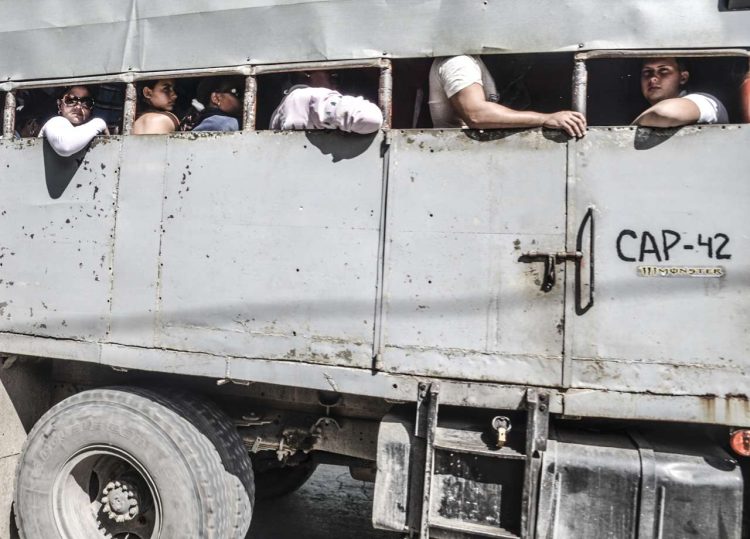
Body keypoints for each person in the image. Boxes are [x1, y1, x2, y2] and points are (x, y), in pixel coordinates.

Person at [428, 55, 586, 137]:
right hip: (458, 155)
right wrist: (545, 119)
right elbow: (476, 115)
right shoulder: (459, 61)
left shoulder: (475, 63)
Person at [270, 70, 383, 134]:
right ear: (306, 76)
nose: (336, 85)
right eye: (334, 76)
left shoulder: (288, 104)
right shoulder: (304, 97)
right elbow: (369, 117)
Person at [633, 57, 728, 127]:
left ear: (683, 78)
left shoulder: (703, 100)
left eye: (663, 71)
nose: (653, 78)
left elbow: (663, 112)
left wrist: (632, 127)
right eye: (647, 72)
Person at [38, 86, 108, 157]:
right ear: (59, 104)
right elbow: (65, 146)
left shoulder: (91, 132)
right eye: (70, 100)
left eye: (86, 102)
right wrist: (99, 123)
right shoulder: (55, 122)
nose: (78, 107)